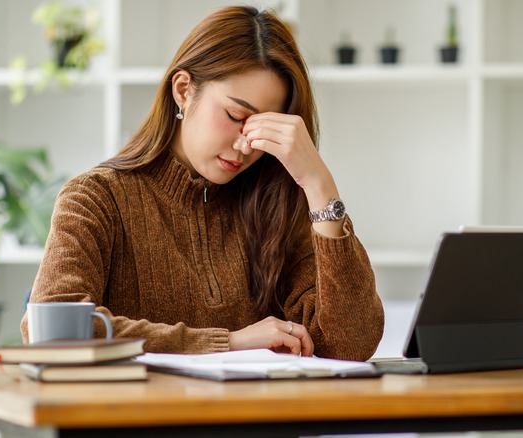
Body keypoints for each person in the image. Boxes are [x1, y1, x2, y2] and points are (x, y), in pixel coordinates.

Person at [20, 5, 384, 361]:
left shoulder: (275, 204)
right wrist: (227, 343)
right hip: (135, 420)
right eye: (236, 115)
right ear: (183, 90)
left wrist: (320, 186)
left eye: (264, 129)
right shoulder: (95, 199)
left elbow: (349, 346)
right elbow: (54, 332)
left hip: (260, 421)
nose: (246, 145)